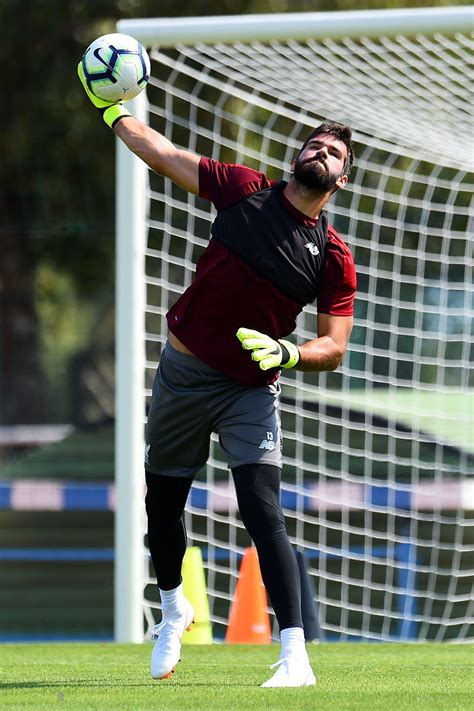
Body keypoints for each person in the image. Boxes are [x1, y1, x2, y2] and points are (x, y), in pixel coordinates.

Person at [78, 62, 356, 688]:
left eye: (334, 151)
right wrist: (112, 109)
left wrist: (288, 356)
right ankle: (174, 605)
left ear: (342, 178)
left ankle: (294, 657)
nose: (321, 151)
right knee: (163, 505)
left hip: (250, 390)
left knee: (263, 509)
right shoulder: (243, 190)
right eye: (315, 142)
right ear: (298, 157)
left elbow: (334, 346)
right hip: (182, 374)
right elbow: (163, 152)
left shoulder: (334, 258)